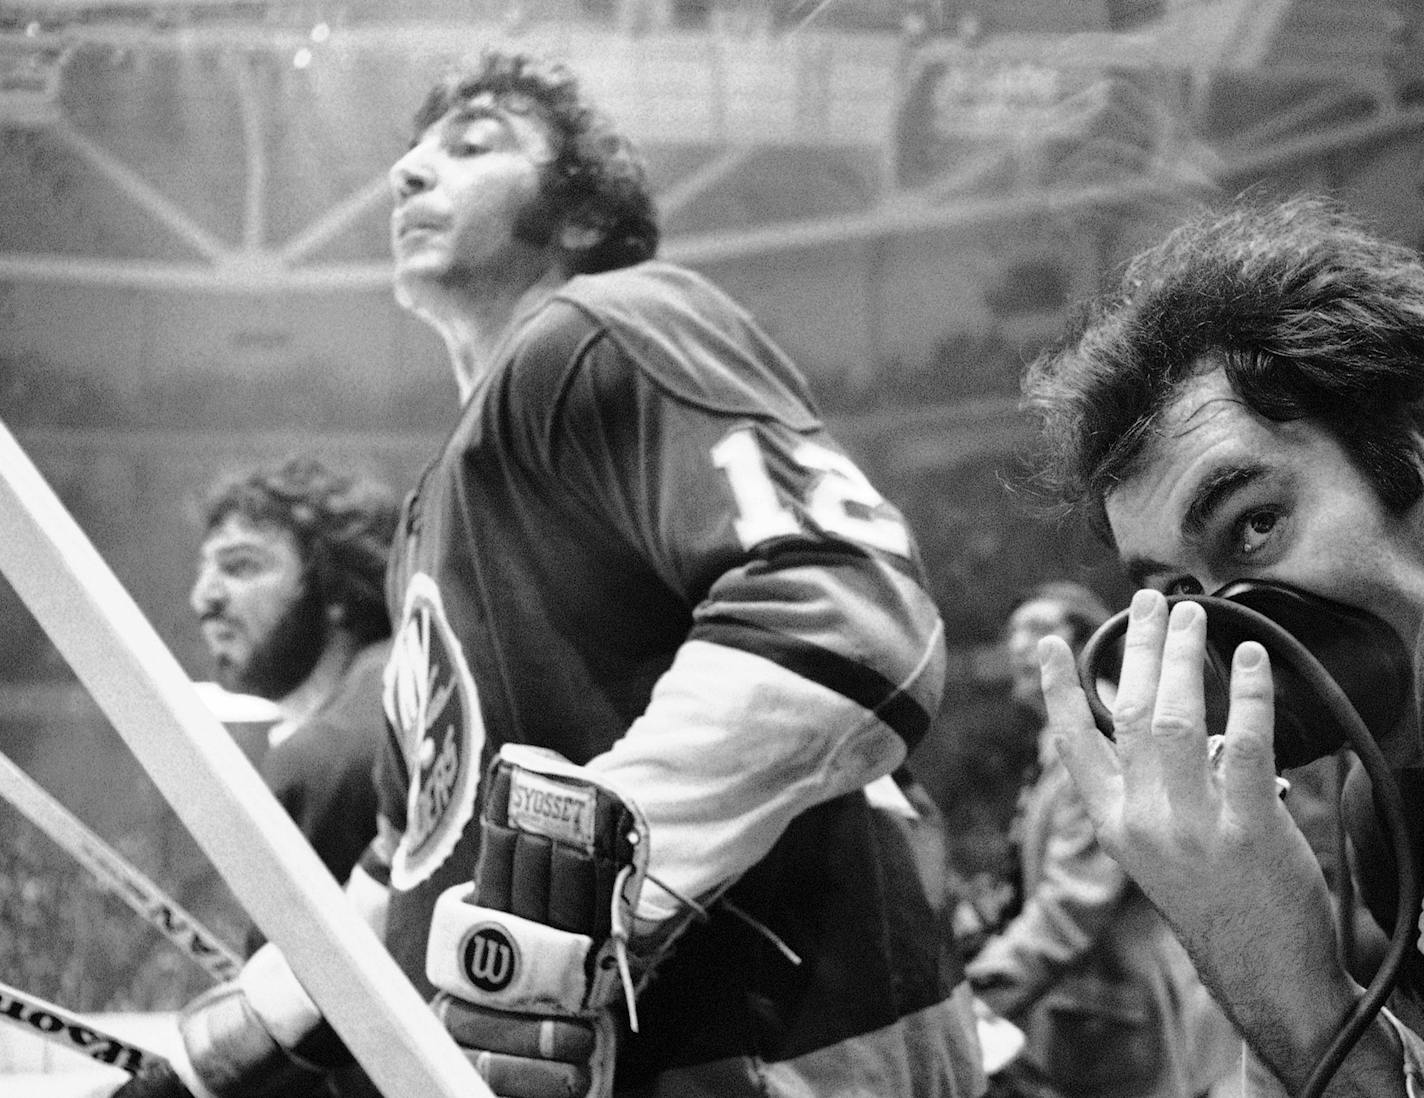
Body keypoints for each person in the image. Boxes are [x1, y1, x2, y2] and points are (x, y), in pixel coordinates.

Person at [117, 49, 984, 1098]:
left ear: (576, 218)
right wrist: (240, 1035)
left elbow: (843, 615)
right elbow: (410, 853)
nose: (409, 173)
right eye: (410, 156)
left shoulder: (611, 319)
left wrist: (571, 898)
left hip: (773, 1039)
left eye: (473, 145)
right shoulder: (435, 505)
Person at [1018, 192, 1424, 1095]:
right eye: (1172, 594)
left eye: (1255, 525)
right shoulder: (1383, 816)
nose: (1223, 623)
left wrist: (1280, 983)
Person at [965, 582, 1238, 1098]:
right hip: (1098, 1012)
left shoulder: (1103, 738)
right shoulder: (1065, 739)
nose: (1020, 646)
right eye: (1014, 632)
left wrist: (976, 990)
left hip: (1123, 1012)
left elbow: (1074, 900)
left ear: (1084, 642)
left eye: (1040, 630)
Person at [190, 456, 397, 927]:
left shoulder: (318, 760)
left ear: (336, 588)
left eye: (240, 566)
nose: (204, 597)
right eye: (205, 570)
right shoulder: (399, 677)